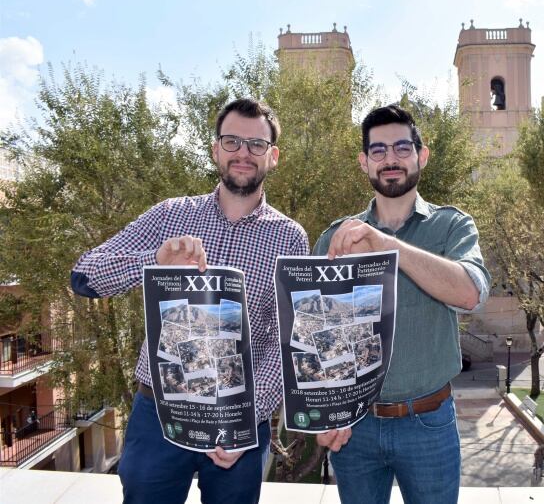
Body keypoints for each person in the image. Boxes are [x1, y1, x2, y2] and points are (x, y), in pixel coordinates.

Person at [71, 98, 309, 503]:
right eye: (232, 142)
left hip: (240, 418)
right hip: (159, 414)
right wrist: (155, 259)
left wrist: (249, 418)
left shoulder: (291, 238)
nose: (243, 154)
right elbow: (85, 275)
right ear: (216, 149)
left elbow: (285, 340)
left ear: (273, 156)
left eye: (256, 145)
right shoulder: (170, 216)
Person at [313, 104, 490, 504]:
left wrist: (384, 244)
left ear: (421, 155)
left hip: (428, 422)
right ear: (364, 162)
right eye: (378, 151)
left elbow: (470, 294)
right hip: (354, 428)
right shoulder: (336, 238)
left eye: (401, 148)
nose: (390, 159)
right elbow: (317, 336)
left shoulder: (452, 226)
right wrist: (324, 414)